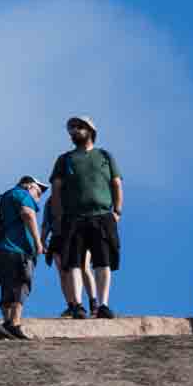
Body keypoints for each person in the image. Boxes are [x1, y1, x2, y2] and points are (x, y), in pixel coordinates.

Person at [47, 115, 123, 319]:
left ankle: (103, 304)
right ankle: (78, 305)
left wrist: (117, 211)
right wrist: (58, 216)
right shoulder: (65, 159)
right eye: (71, 128)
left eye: (79, 127)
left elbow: (116, 183)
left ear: (90, 130)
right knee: (73, 262)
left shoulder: (105, 156)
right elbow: (56, 188)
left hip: (102, 215)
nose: (74, 131)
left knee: (103, 261)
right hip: (73, 217)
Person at [0, 177, 45, 340]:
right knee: (22, 283)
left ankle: (6, 323)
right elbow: (28, 214)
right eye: (38, 192)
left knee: (7, 285)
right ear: (29, 185)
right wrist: (38, 243)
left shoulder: (3, 198)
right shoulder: (22, 194)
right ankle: (14, 324)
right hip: (16, 249)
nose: (38, 198)